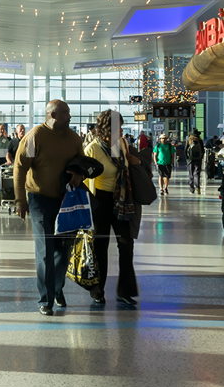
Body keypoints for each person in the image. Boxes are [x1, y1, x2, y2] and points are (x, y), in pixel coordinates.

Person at [14, 99, 86, 316]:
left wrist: (78, 174)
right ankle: (45, 299)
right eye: (66, 113)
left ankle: (57, 289)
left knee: (63, 251)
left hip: (66, 201)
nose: (70, 116)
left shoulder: (73, 138)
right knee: (45, 250)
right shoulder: (36, 136)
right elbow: (19, 168)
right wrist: (20, 200)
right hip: (39, 199)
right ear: (52, 115)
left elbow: (83, 164)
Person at [84, 110, 140, 307]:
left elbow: (127, 165)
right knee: (100, 246)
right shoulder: (93, 149)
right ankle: (97, 290)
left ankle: (125, 291)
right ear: (108, 128)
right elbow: (85, 178)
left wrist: (134, 161)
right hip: (100, 199)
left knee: (126, 244)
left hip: (121, 199)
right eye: (119, 126)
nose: (122, 130)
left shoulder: (122, 145)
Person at [187, 130, 205, 194]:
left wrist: (187, 159)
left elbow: (185, 150)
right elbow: (203, 150)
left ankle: (191, 189)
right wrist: (201, 158)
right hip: (198, 160)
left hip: (190, 160)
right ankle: (198, 187)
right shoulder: (200, 141)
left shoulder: (189, 140)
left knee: (191, 174)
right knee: (197, 174)